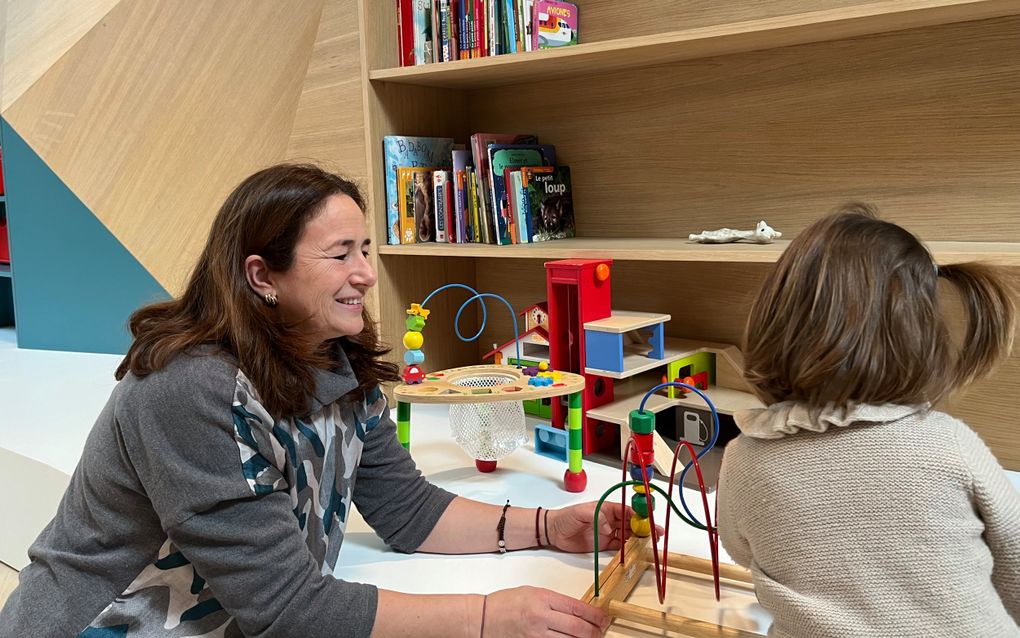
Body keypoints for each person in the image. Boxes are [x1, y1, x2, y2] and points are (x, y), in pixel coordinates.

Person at [0, 164, 631, 638]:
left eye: (363, 250)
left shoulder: (337, 358)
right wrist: (489, 616)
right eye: (339, 255)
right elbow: (288, 609)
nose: (363, 272)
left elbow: (407, 511)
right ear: (261, 277)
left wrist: (547, 527)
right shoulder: (186, 388)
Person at [717, 203, 1020, 637]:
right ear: (920, 336)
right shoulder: (950, 444)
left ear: (772, 322)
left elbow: (743, 552)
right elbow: (1015, 565)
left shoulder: (746, 459)